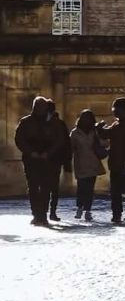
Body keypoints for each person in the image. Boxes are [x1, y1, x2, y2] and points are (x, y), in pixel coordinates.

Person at [13, 96, 67, 228]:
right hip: (31, 160)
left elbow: (59, 140)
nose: (40, 110)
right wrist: (31, 152)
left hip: (48, 160)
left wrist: (48, 153)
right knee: (33, 187)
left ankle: (42, 214)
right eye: (38, 107)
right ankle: (36, 214)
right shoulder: (26, 122)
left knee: (45, 188)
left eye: (43, 107)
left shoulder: (54, 123)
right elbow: (19, 139)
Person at [69, 110, 106, 222]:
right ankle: (80, 207)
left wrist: (100, 133)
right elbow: (70, 148)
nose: (86, 121)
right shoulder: (75, 133)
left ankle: (88, 211)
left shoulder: (94, 132)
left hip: (93, 163)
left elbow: (105, 143)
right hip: (80, 163)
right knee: (81, 188)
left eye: (89, 118)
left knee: (89, 189)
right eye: (84, 118)